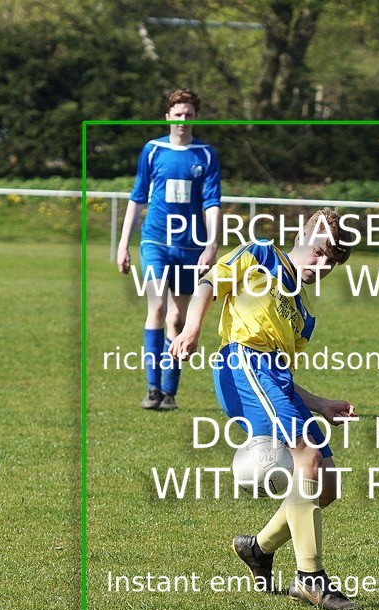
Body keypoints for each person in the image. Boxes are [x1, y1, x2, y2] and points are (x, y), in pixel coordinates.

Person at [168, 208, 360, 610]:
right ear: (302, 237)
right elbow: (208, 282)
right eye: (319, 252)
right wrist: (191, 327)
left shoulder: (303, 315)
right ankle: (310, 578)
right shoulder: (260, 253)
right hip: (243, 362)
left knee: (327, 485)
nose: (321, 265)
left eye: (331, 263)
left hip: (273, 377)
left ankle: (258, 547)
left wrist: (320, 403)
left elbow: (284, 377)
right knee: (305, 456)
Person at [117, 88, 222, 411]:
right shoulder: (152, 151)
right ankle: (151, 388)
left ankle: (169, 391)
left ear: (195, 117)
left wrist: (211, 243)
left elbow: (212, 202)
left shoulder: (205, 155)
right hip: (155, 241)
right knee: (158, 308)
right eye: (177, 114)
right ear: (168, 117)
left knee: (178, 317)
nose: (183, 120)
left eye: (188, 114)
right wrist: (123, 244)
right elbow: (138, 197)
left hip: (190, 246)